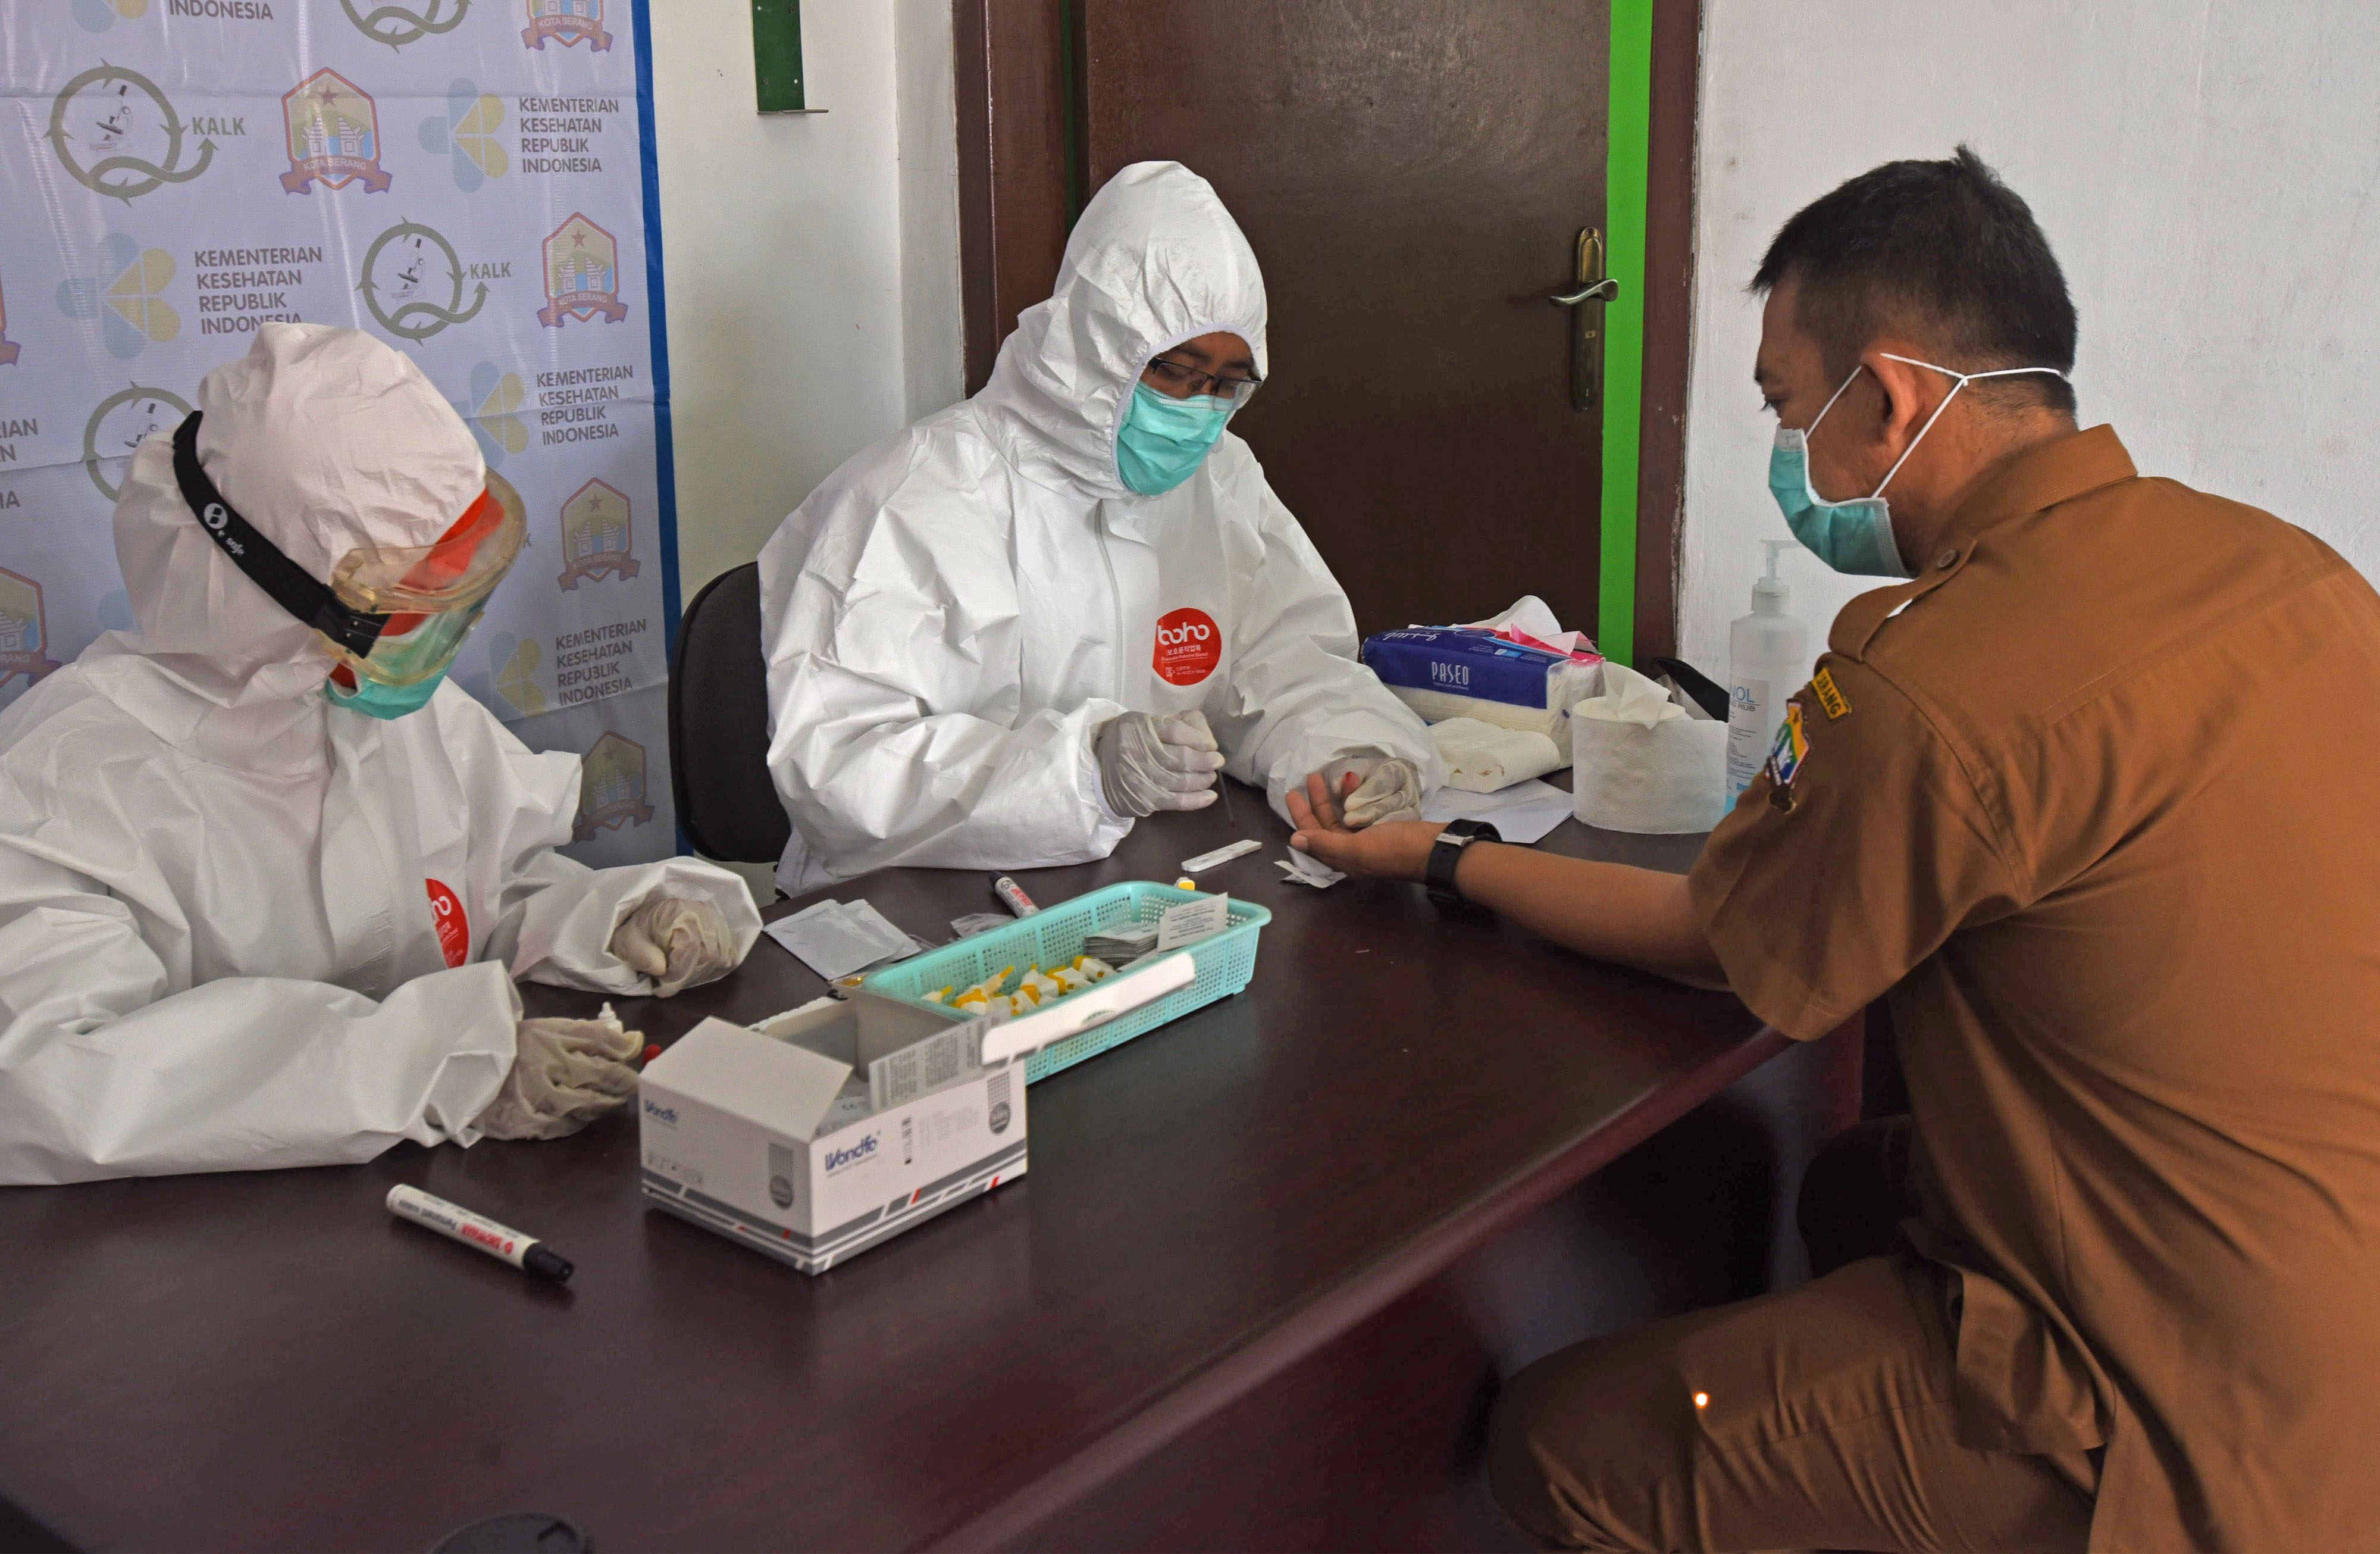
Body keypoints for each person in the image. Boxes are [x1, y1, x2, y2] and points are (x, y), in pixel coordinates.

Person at [1289, 147, 2380, 1551]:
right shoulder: (2291, 570)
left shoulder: (1937, 674)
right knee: (1856, 1186)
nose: (1790, 453)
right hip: (2327, 1275)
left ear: (1888, 401)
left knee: (1557, 1441)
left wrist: (1437, 856)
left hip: (2181, 1406)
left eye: (1784, 406)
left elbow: (1727, 943)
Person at [0, 324, 763, 1185]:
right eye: (412, 605)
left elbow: (492, 896)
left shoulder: (377, 707)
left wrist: (612, 921)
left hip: (438, 1200)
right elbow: (51, 1080)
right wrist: (425, 1065)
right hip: (211, 1241)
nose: (444, 635)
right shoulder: (54, 788)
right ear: (268, 589)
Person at [757, 160, 1440, 892]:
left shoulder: (1219, 479)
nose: (1197, 410)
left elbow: (1283, 665)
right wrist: (1082, 769)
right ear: (1094, 347)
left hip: (1146, 880)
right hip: (919, 899)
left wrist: (1350, 757)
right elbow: (840, 767)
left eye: (1225, 384)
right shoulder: (913, 497)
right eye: (1174, 371)